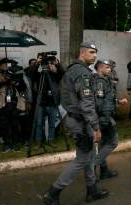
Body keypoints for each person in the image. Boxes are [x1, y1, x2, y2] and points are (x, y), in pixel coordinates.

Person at [42, 42, 109, 204]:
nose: (94, 56)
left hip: (75, 117)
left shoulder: (73, 69)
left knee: (90, 155)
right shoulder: (82, 73)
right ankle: (53, 192)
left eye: (96, 52)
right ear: (82, 53)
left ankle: (92, 190)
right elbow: (86, 103)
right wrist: (95, 126)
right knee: (82, 158)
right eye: (91, 52)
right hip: (79, 120)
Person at [93, 59, 126, 180]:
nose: (110, 69)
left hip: (104, 116)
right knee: (113, 142)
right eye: (107, 67)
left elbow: (108, 98)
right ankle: (94, 165)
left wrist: (118, 101)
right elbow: (100, 103)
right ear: (100, 68)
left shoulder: (105, 80)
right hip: (104, 117)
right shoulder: (99, 82)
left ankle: (104, 171)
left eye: (110, 67)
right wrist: (106, 119)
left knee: (103, 144)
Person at [0, 58, 24, 153]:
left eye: (8, 65)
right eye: (4, 65)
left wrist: (15, 81)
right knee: (4, 125)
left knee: (15, 125)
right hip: (2, 104)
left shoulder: (16, 75)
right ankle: (7, 144)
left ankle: (15, 143)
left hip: (14, 104)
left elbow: (23, 87)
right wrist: (5, 79)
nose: (6, 66)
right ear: (0, 66)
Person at [33, 56, 64, 148]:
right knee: (39, 124)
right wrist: (37, 63)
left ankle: (51, 140)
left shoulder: (55, 75)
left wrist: (57, 64)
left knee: (52, 123)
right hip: (41, 103)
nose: (48, 66)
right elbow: (31, 73)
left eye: (50, 63)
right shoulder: (39, 75)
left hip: (53, 103)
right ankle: (38, 142)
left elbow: (63, 73)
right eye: (46, 64)